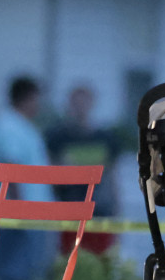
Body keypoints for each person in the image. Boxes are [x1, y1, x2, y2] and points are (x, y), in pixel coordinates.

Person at [0, 76, 54, 280]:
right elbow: (11, 168)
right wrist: (19, 209)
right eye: (36, 99)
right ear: (26, 99)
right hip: (19, 212)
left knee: (27, 270)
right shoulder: (8, 126)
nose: (39, 104)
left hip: (32, 212)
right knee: (14, 273)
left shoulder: (22, 126)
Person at [45, 84, 121, 259]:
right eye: (76, 102)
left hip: (100, 211)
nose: (80, 107)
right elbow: (51, 176)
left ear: (92, 104)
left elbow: (112, 178)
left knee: (101, 263)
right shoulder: (58, 138)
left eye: (84, 102)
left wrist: (117, 212)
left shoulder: (105, 139)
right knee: (70, 262)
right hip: (69, 212)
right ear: (70, 105)